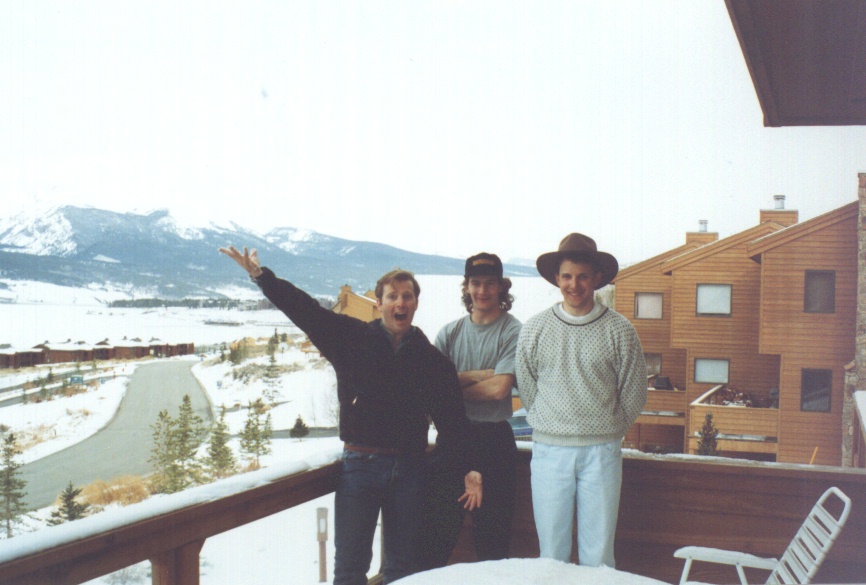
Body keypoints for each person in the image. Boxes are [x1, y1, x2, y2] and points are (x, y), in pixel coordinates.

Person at [219, 246, 482, 585]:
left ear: (416, 303)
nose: (400, 303)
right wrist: (261, 277)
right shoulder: (351, 338)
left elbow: (454, 423)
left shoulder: (431, 360)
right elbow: (306, 310)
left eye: (407, 296)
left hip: (410, 470)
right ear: (379, 302)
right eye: (392, 296)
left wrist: (470, 469)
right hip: (360, 467)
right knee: (349, 568)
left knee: (403, 568)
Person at [515, 233, 646, 568]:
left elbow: (634, 393)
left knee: (598, 554)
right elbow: (527, 386)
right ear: (556, 279)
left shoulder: (620, 330)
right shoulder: (535, 328)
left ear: (597, 278)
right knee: (551, 553)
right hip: (549, 451)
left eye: (582, 276)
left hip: (601, 452)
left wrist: (608, 428)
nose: (574, 285)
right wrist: (550, 420)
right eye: (567, 276)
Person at [418, 253, 522, 569]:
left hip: (495, 442)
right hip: (452, 439)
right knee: (434, 540)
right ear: (466, 287)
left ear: (502, 287)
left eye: (490, 283)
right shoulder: (449, 333)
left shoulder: (514, 331)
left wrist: (451, 387)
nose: (482, 291)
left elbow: (499, 389)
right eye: (475, 283)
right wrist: (482, 374)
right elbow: (429, 390)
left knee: (493, 545)